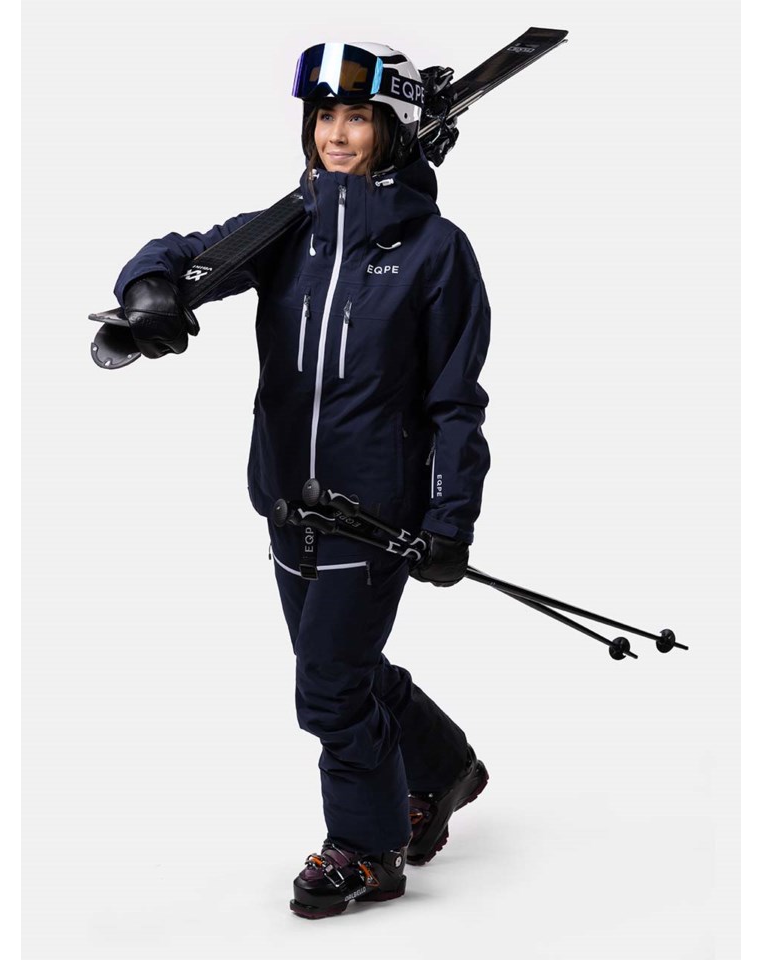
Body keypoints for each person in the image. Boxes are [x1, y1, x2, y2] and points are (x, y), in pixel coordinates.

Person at [113, 41, 492, 920]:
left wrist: (452, 518)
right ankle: (442, 767)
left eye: (359, 116)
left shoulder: (437, 252)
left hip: (376, 514)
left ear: (395, 129)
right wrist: (151, 290)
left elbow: (456, 402)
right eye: (324, 116)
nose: (337, 134)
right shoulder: (287, 229)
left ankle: (368, 849)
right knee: (343, 668)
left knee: (328, 688)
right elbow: (180, 251)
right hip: (287, 499)